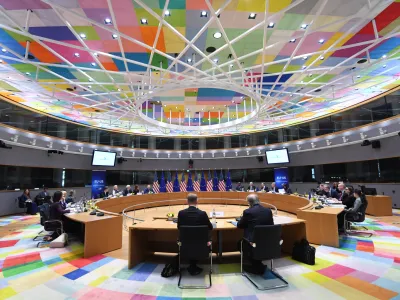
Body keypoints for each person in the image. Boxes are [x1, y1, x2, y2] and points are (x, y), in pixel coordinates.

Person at [236, 194, 274, 274]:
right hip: (268, 243)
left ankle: (254, 263)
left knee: (240, 243)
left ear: (249, 203)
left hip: (253, 243)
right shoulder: (268, 211)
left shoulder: (248, 212)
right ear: (258, 201)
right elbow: (272, 225)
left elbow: (239, 225)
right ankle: (258, 262)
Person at [177, 193, 213, 276]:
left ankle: (191, 262)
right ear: (197, 201)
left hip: (185, 245)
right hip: (202, 245)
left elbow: (179, 227)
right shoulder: (202, 214)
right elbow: (210, 227)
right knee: (207, 239)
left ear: (187, 202)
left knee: (189, 241)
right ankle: (194, 262)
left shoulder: (181, 213)